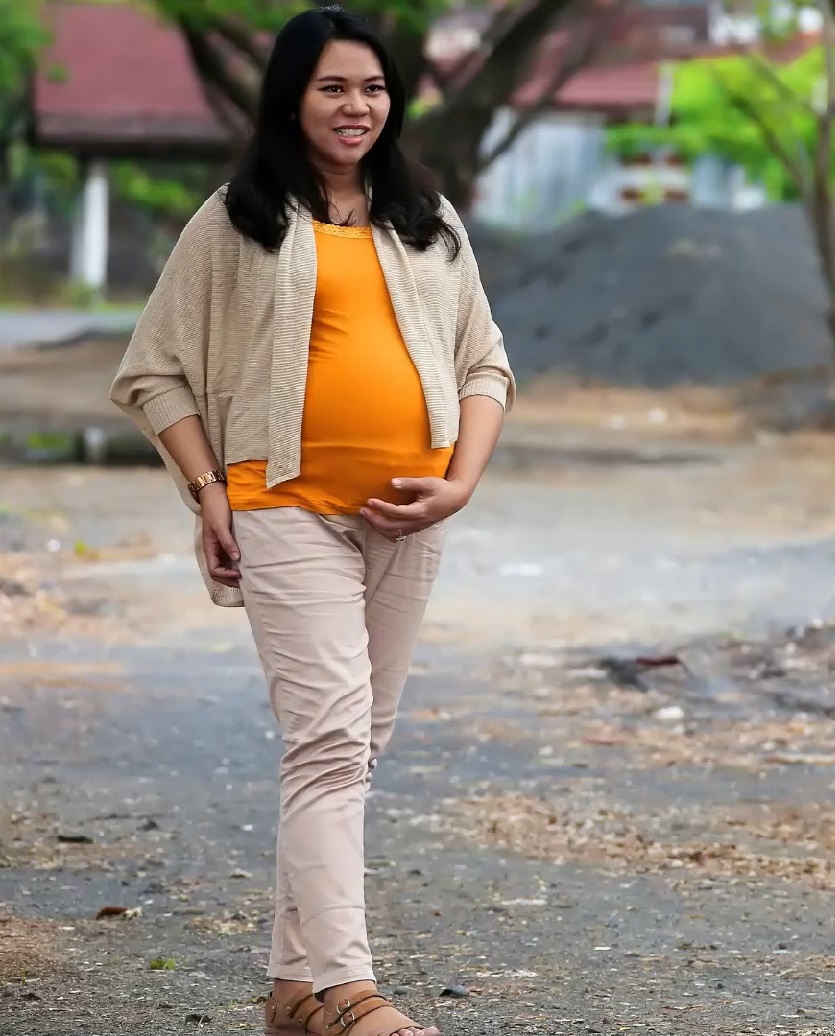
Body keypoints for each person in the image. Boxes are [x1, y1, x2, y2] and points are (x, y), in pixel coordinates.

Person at [110, 6, 513, 1034]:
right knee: (331, 740)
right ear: (292, 95)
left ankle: (295, 989)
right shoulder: (237, 220)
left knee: (355, 745)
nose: (357, 106)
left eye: (373, 88)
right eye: (335, 86)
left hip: (413, 517)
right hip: (285, 506)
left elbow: (486, 366)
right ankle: (350, 989)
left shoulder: (429, 219)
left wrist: (459, 482)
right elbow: (154, 368)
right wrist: (209, 490)